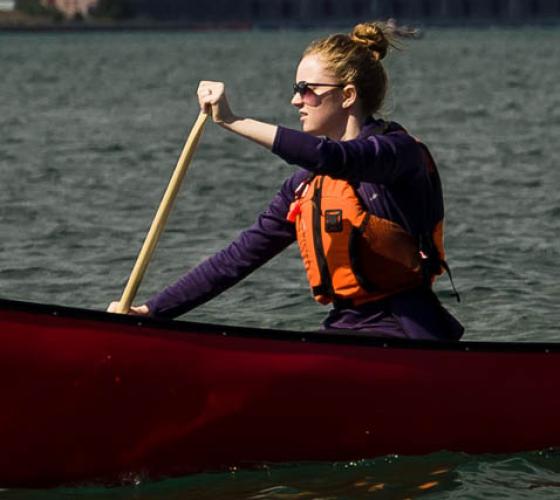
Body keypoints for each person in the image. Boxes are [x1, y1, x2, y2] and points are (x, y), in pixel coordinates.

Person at [108, 21, 464, 341]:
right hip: (343, 330)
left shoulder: (398, 155)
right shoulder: (303, 187)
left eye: (307, 89)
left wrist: (232, 120)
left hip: (405, 333)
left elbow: (334, 157)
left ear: (348, 96)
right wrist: (151, 312)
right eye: (296, 89)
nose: (296, 100)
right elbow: (237, 259)